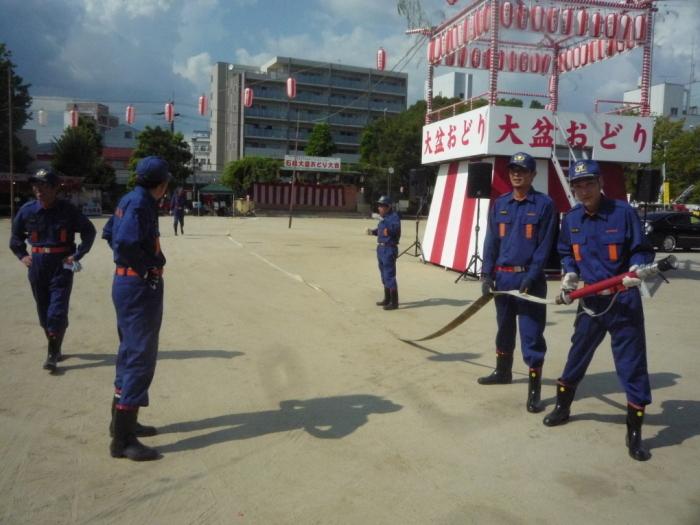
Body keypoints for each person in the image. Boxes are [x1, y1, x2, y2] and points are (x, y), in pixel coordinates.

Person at [543, 159, 655, 461]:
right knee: (576, 355)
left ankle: (635, 434)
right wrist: (569, 274)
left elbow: (643, 248)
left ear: (600, 183)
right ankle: (563, 408)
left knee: (632, 365)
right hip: (590, 302)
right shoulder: (573, 218)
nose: (583, 190)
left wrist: (638, 266)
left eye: (588, 183)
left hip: (623, 301)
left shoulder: (623, 213)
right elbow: (566, 252)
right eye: (577, 185)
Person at [102, 156, 171, 461]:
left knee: (129, 353)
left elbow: (108, 234)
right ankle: (123, 441)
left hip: (127, 285)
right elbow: (125, 243)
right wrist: (146, 270)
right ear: (162, 183)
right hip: (138, 289)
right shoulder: (141, 204)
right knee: (140, 357)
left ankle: (121, 423)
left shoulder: (129, 199)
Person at [479, 152, 556, 413]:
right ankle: (503, 373)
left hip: (529, 280)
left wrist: (531, 276)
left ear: (533, 175)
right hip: (503, 278)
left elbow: (544, 247)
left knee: (531, 335)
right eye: (513, 169)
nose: (516, 174)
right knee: (504, 329)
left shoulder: (544, 205)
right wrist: (486, 274)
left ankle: (534, 392)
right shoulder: (500, 204)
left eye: (522, 170)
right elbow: (491, 242)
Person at [9, 168, 96, 372]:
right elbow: (15, 238)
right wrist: (23, 255)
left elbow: (89, 231)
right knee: (44, 310)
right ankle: (56, 344)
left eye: (44, 185)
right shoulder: (27, 210)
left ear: (56, 188)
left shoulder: (68, 210)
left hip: (63, 262)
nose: (39, 189)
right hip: (38, 262)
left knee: (57, 309)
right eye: (35, 185)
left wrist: (77, 256)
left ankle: (52, 354)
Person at [366, 195, 401, 310]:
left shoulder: (393, 217)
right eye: (379, 206)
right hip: (381, 249)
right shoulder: (383, 218)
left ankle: (394, 302)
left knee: (389, 275)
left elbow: (394, 230)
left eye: (381, 206)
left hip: (389, 249)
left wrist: (385, 223)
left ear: (388, 207)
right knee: (383, 275)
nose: (379, 208)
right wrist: (373, 232)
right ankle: (387, 299)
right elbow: (381, 231)